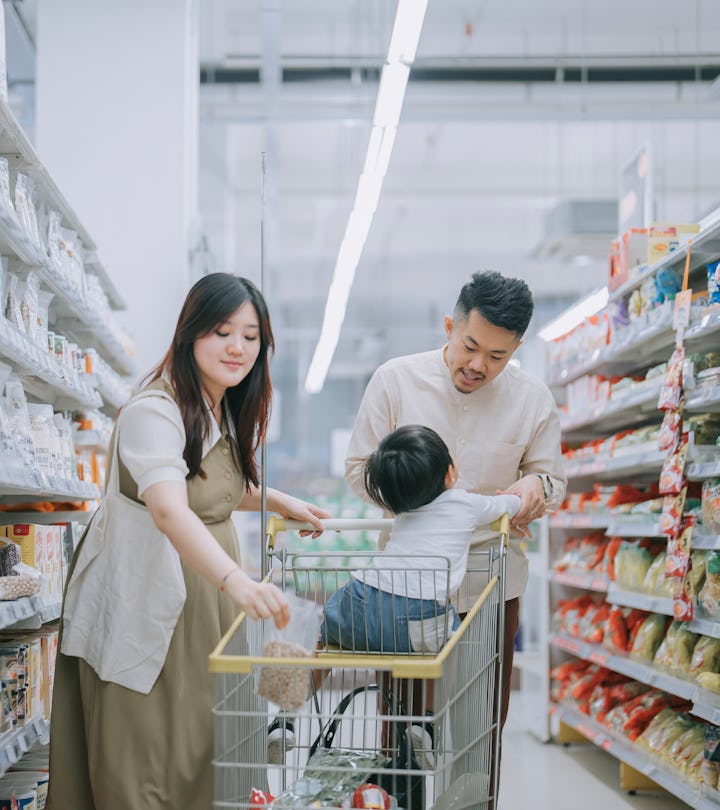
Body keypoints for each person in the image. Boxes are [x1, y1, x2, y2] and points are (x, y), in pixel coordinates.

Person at [46, 273, 330, 810]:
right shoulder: (154, 410)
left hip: (204, 602)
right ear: (190, 333)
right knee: (149, 757)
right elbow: (169, 509)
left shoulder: (216, 403)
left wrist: (278, 499)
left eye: (251, 337)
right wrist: (234, 579)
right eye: (223, 332)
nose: (237, 348)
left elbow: (210, 485)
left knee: (207, 747)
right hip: (152, 600)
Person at [344, 270, 566, 769]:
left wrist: (535, 487)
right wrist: (434, 506)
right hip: (405, 589)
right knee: (403, 730)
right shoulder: (395, 381)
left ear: (517, 347)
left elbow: (552, 482)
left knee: (482, 729)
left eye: (497, 356)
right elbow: (358, 471)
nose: (478, 365)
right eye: (470, 346)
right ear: (450, 325)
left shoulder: (532, 399)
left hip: (491, 586)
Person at [322, 424, 520, 655]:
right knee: (450, 655)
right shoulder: (464, 504)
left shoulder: (403, 509)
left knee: (326, 639)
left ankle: (307, 685)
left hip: (359, 600)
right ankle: (440, 692)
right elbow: (506, 505)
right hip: (418, 613)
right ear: (450, 473)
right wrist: (519, 500)